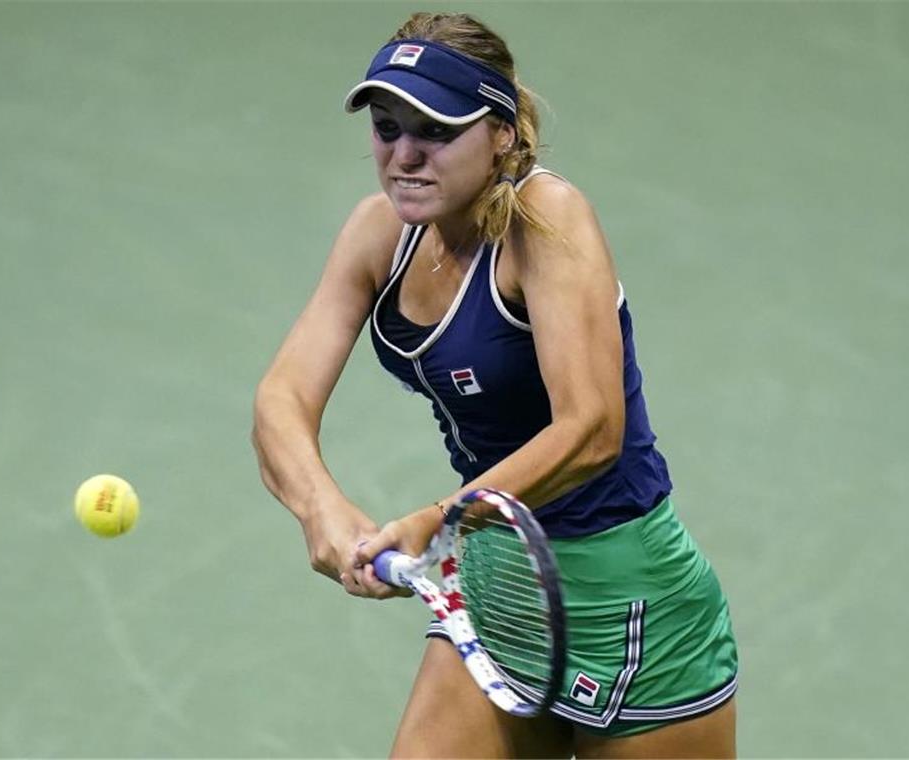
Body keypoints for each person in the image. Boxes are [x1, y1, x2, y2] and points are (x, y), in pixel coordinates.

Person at [252, 11, 738, 758]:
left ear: (502, 132)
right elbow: (281, 402)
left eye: (437, 131)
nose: (405, 155)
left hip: (634, 608)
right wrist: (321, 508)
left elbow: (592, 428)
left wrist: (442, 518)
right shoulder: (378, 232)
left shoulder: (549, 219)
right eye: (387, 127)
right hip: (500, 584)